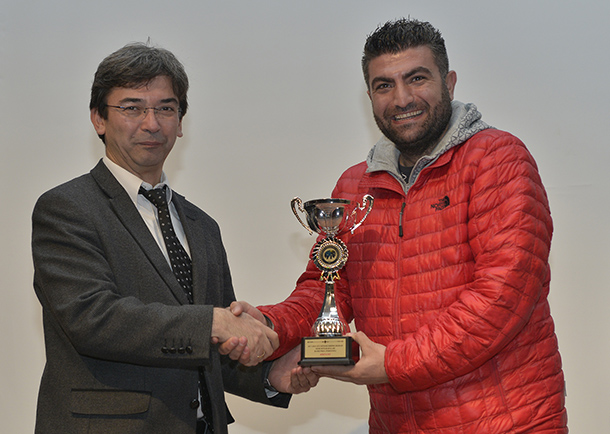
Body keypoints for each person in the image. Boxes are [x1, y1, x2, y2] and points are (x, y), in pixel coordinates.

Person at [223, 18, 568, 433]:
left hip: (505, 422)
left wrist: (392, 363)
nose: (402, 98)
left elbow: (501, 298)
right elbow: (328, 290)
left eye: (417, 78)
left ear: (449, 82)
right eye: (384, 85)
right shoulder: (355, 185)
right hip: (396, 423)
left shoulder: (498, 159)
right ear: (369, 96)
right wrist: (270, 326)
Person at [32, 42, 316, 434]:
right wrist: (214, 322)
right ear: (98, 119)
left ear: (181, 122)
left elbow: (208, 346)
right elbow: (92, 318)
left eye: (166, 108)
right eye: (132, 108)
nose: (151, 123)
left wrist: (269, 376)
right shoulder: (67, 208)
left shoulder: (202, 225)